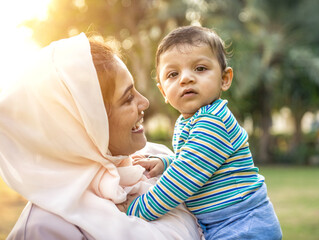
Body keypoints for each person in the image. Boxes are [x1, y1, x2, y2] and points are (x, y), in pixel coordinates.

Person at [0, 33, 202, 239]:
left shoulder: (158, 160)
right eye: (128, 98)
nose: (144, 103)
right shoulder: (45, 229)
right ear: (87, 124)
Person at [126, 26, 282, 240]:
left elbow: (182, 180)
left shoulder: (214, 122)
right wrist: (167, 163)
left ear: (225, 78)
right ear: (163, 90)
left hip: (244, 225)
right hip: (225, 225)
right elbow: (198, 163)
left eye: (200, 68)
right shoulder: (190, 121)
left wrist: (135, 210)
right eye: (173, 74)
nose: (186, 78)